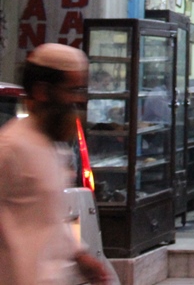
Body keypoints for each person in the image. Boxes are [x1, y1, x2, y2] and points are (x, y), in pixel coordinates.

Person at [0, 44, 111, 285]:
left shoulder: (53, 145)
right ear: (42, 91)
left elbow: (48, 217)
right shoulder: (10, 147)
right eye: (71, 90)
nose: (78, 99)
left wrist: (80, 256)